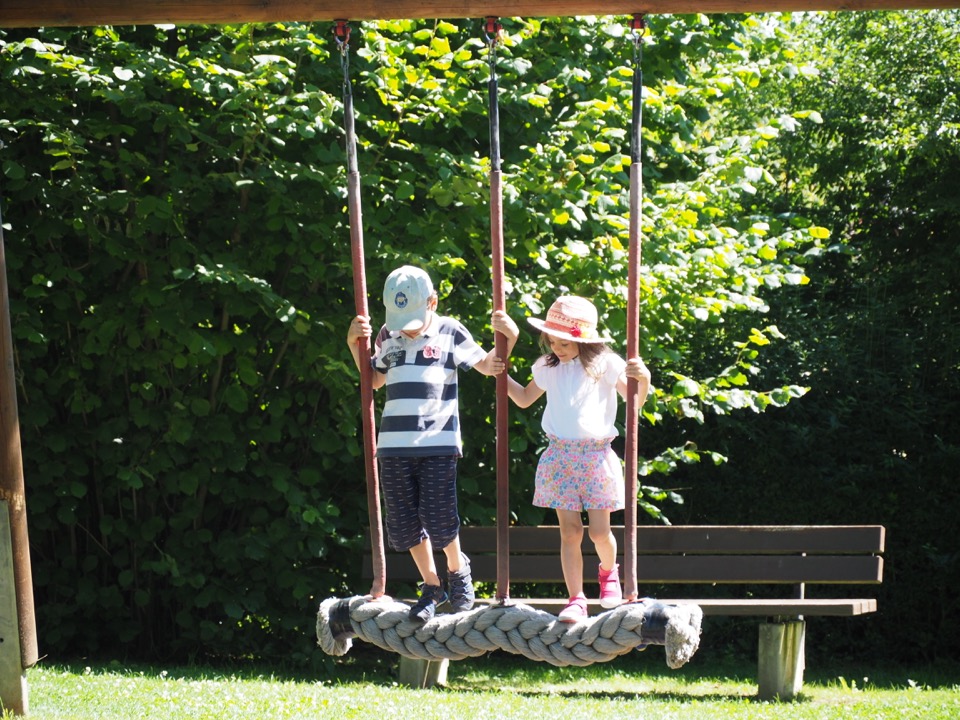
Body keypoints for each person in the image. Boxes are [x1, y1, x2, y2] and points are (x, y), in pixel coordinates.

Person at [346, 265, 519, 623]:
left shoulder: (449, 331)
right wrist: (354, 346)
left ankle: (458, 569)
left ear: (432, 303)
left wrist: (509, 339)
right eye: (400, 320)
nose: (405, 328)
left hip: (437, 441)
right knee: (403, 525)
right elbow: (374, 381)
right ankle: (431, 584)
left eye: (412, 320)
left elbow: (488, 366)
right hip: (393, 444)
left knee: (440, 519)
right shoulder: (386, 334)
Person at [492, 295, 651, 623]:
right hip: (560, 455)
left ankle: (609, 573)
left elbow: (633, 401)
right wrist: (500, 375)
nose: (556, 348)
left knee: (598, 532)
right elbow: (523, 398)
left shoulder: (604, 364)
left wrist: (644, 379)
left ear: (583, 340)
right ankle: (576, 598)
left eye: (563, 342)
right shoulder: (549, 367)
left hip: (594, 458)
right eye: (552, 341)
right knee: (569, 532)